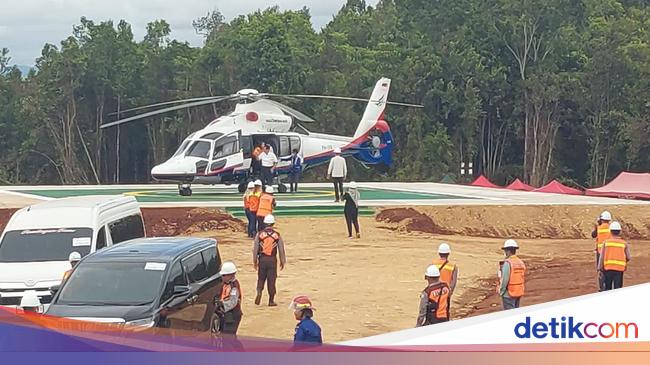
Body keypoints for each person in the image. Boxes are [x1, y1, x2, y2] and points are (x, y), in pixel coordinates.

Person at [252, 215, 286, 306]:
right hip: (272, 260)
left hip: (262, 259)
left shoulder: (259, 234)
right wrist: (283, 261)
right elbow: (281, 249)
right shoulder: (277, 235)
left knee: (261, 278)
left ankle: (259, 291)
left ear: (264, 223)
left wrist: (255, 261)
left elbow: (255, 249)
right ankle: (271, 300)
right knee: (272, 280)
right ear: (273, 223)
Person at [598, 221, 631, 291]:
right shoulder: (624, 243)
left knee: (607, 288)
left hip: (608, 269)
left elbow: (601, 257)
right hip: (619, 269)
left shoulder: (606, 243)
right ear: (620, 232)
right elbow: (628, 257)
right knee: (618, 289)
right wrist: (623, 261)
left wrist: (600, 269)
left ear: (610, 231)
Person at [215, 262, 243, 335]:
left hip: (233, 316)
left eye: (224, 275)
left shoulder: (234, 287)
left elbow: (233, 302)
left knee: (228, 336)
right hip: (226, 315)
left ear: (231, 275)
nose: (222, 277)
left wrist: (221, 304)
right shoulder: (224, 284)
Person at [498, 239, 526, 310]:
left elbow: (505, 280)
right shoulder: (520, 262)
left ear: (508, 251)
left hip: (508, 294)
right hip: (518, 292)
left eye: (505, 251)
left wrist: (501, 291)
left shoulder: (508, 263)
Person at [591, 211, 612, 291]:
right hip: (609, 252)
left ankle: (601, 288)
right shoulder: (611, 228)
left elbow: (593, 235)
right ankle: (608, 287)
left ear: (601, 219)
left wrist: (596, 226)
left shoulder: (598, 228)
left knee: (600, 270)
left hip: (600, 252)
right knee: (608, 269)